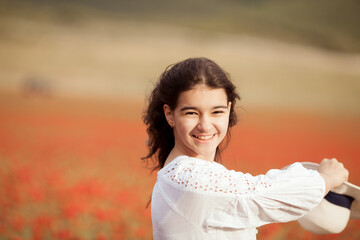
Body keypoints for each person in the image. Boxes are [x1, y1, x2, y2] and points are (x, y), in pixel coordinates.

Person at [142, 57, 349, 240]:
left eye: (217, 112)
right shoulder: (189, 179)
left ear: (229, 109)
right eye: (191, 113)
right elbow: (261, 193)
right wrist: (325, 179)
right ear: (170, 114)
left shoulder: (187, 174)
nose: (205, 125)